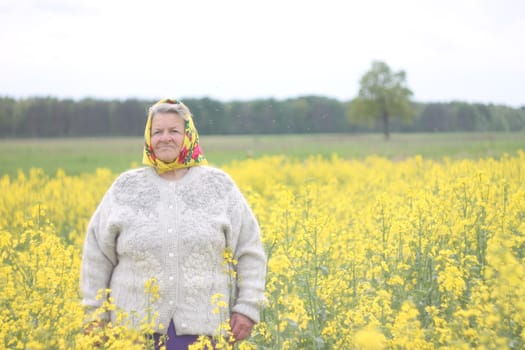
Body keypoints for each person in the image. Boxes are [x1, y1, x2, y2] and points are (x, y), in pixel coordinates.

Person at [80, 98, 267, 349]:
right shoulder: (125, 187)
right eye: (157, 131)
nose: (165, 138)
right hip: (131, 332)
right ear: (148, 137)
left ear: (188, 135)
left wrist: (247, 308)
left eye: (174, 131)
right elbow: (97, 255)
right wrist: (95, 314)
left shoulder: (219, 186)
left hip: (203, 332)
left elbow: (250, 251)